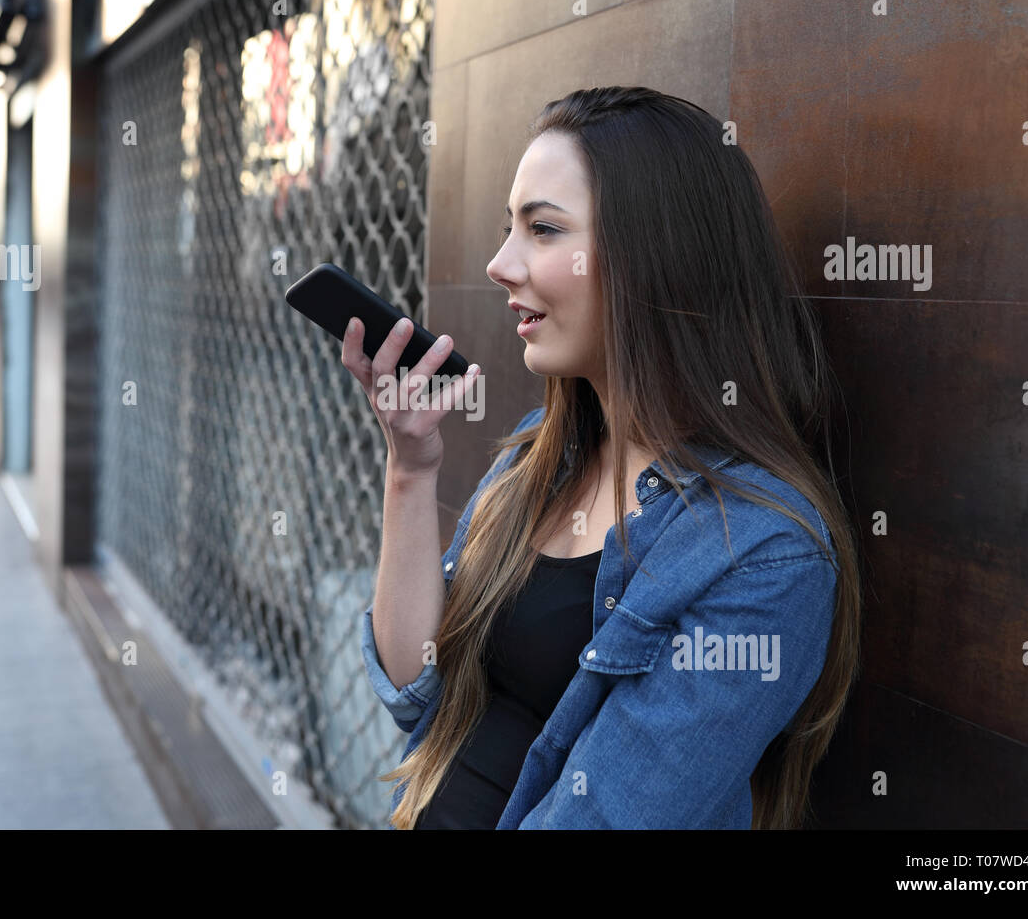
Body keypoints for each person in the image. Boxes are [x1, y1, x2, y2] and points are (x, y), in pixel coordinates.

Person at [347, 86, 861, 829]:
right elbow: (414, 693)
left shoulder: (767, 556)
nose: (498, 264)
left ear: (655, 253)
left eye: (543, 230)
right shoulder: (541, 458)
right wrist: (410, 468)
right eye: (507, 229)